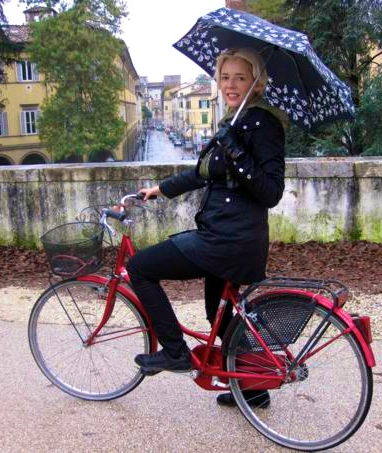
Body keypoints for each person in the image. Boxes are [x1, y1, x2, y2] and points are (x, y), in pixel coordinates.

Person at [126, 48, 287, 408]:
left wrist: (236, 152)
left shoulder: (263, 124)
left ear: (257, 83)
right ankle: (251, 389)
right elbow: (201, 173)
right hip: (225, 235)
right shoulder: (234, 120)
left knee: (139, 268)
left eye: (240, 78)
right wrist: (160, 189)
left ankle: (174, 352)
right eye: (225, 77)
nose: (230, 84)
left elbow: (271, 192)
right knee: (220, 312)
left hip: (228, 240)